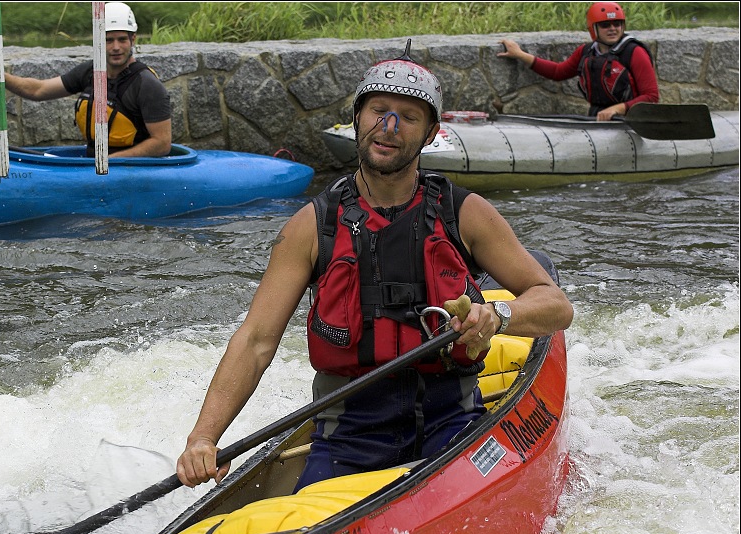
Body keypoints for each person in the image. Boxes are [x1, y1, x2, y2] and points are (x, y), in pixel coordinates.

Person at [176, 43, 573, 492]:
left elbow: (555, 305)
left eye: (407, 116)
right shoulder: (310, 228)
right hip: (347, 436)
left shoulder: (465, 213)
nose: (389, 127)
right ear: (357, 119)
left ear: (430, 133)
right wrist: (204, 437)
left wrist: (498, 316)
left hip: (453, 420)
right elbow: (255, 341)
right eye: (378, 111)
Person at [0, 2, 172, 157]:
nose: (116, 47)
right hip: (95, 163)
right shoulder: (90, 72)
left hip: (133, 169)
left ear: (133, 39)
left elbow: (162, 144)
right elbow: (38, 90)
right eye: (108, 40)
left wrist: (112, 161)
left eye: (122, 39)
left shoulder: (147, 85)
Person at [497, 1, 659, 121]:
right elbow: (558, 72)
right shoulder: (586, 52)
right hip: (599, 120)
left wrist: (617, 109)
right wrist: (519, 54)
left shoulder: (634, 52)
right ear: (594, 29)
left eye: (617, 24)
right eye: (605, 25)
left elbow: (651, 96)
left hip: (633, 122)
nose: (612, 28)